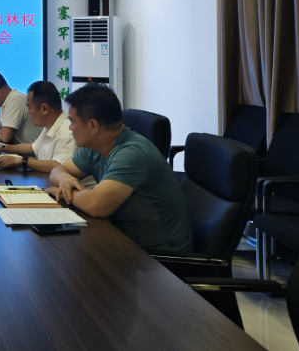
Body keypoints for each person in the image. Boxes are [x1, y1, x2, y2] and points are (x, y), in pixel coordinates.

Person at [48, 83, 194, 252]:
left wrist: (66, 193)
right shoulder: (95, 147)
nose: (70, 127)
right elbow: (58, 170)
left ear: (93, 126)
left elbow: (96, 205)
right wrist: (65, 179)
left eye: (72, 121)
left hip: (160, 256)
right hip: (125, 240)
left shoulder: (131, 154)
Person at [0, 80, 77, 172]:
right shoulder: (49, 126)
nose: (28, 113)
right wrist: (1, 147)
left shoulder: (67, 133)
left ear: (44, 108)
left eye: (30, 108)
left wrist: (21, 161)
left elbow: (59, 166)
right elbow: (33, 148)